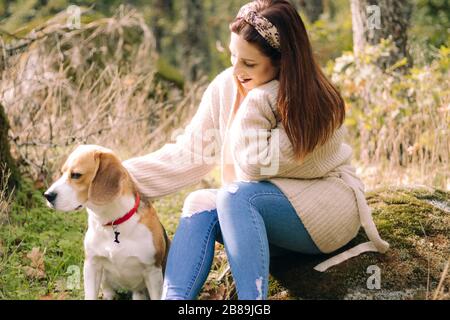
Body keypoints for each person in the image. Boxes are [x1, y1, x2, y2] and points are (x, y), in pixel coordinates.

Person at [123, 0, 389, 300]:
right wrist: (116, 175)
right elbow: (191, 153)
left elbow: (254, 165)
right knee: (199, 201)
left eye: (249, 63)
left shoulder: (317, 104)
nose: (236, 71)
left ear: (283, 62)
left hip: (326, 211)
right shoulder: (227, 85)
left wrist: (258, 100)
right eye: (233, 56)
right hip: (258, 213)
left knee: (235, 195)